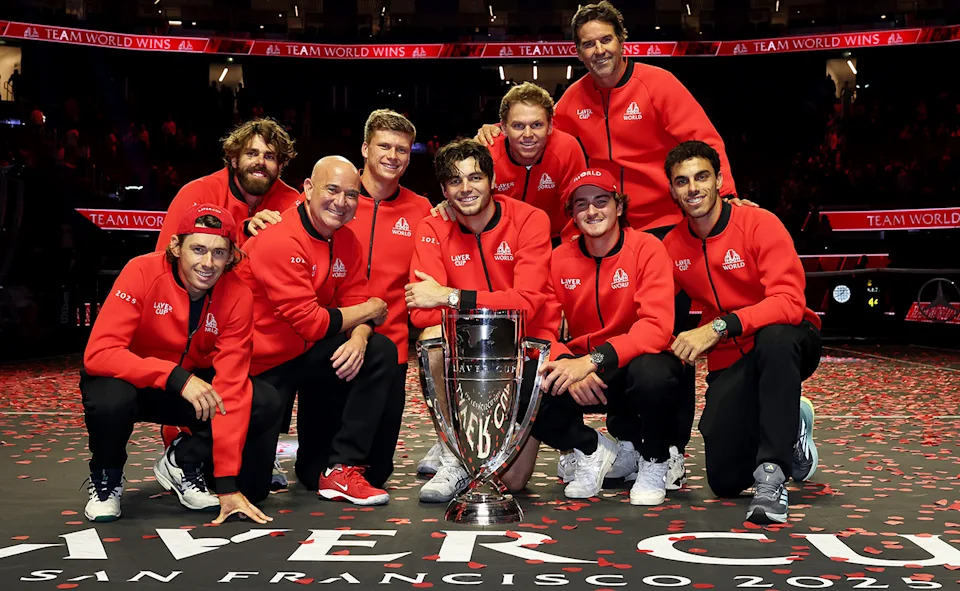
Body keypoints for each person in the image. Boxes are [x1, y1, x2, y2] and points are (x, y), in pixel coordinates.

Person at [477, 1, 743, 486]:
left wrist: (726, 198)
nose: (598, 49)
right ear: (577, 51)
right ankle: (623, 442)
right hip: (600, 224)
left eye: (605, 39)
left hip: (664, 225)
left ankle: (666, 452)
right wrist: (490, 139)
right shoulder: (572, 99)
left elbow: (704, 141)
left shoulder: (658, 84)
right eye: (587, 43)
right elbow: (533, 137)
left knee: (666, 343)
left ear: (623, 40)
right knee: (603, 330)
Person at [81, 203, 281, 525]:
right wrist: (173, 376)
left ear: (231, 256)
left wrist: (228, 485)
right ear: (176, 246)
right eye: (198, 249)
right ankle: (107, 479)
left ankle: (183, 460)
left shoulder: (238, 296)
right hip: (131, 380)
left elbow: (231, 384)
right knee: (110, 398)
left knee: (264, 399)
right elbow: (99, 353)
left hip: (189, 388)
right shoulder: (141, 271)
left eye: (219, 253)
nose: (207, 263)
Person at [661, 141, 822, 524]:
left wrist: (718, 326)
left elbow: (788, 302)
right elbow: (650, 308)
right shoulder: (671, 245)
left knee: (775, 336)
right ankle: (791, 422)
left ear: (719, 180)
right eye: (681, 181)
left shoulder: (758, 223)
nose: (693, 188)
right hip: (732, 354)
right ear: (671, 190)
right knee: (725, 480)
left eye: (702, 177)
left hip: (791, 340)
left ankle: (773, 474)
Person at [237, 156, 400, 506]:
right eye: (332, 190)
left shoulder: (347, 239)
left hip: (306, 355)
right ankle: (186, 453)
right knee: (251, 488)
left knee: (379, 350)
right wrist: (372, 309)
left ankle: (340, 467)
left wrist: (359, 337)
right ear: (308, 189)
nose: (341, 203)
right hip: (260, 366)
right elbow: (312, 321)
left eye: (352, 195)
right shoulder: (278, 239)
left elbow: (354, 297)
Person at [405, 138, 557, 503]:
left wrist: (452, 296)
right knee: (430, 336)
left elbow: (528, 304)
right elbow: (422, 311)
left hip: (528, 343)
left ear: (492, 181)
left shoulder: (530, 219)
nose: (466, 188)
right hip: (466, 345)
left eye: (475, 178)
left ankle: (474, 449)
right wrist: (454, 302)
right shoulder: (432, 227)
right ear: (443, 190)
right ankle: (455, 452)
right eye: (455, 182)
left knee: (514, 483)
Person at [521, 168, 685, 505]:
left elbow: (656, 326)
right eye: (581, 204)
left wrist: (591, 361)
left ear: (619, 207)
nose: (592, 211)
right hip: (589, 370)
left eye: (601, 201)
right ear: (572, 215)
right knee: (527, 382)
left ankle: (654, 460)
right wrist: (567, 363)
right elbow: (540, 326)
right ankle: (593, 448)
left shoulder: (647, 247)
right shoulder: (558, 258)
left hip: (634, 362)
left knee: (654, 372)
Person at [345, 110, 432, 475]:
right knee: (314, 469)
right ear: (365, 148)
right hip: (337, 343)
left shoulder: (423, 209)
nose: (393, 156)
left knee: (377, 470)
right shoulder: (335, 198)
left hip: (392, 348)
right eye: (384, 146)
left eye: (402, 149)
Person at [437, 83, 585, 242]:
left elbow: (577, 204)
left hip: (552, 240)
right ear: (504, 128)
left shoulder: (567, 149)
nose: (528, 134)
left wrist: (570, 254)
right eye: (518, 126)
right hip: (498, 242)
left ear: (550, 126)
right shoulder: (487, 152)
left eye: (537, 125)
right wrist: (452, 204)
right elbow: (465, 192)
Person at [155, 117, 300, 250]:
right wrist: (244, 231)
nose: (260, 162)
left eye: (270, 156)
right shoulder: (197, 193)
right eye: (251, 153)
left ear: (280, 166)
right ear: (234, 160)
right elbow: (165, 257)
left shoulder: (291, 202)